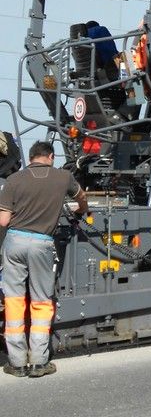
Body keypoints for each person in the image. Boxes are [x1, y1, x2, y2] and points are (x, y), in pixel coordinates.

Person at [0, 141, 88, 378]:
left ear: (30, 158)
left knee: (14, 300)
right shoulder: (63, 177)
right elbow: (82, 198)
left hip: (15, 241)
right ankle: (39, 362)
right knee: (40, 299)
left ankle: (17, 363)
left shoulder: (14, 180)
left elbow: (3, 221)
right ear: (50, 156)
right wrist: (81, 210)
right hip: (41, 243)